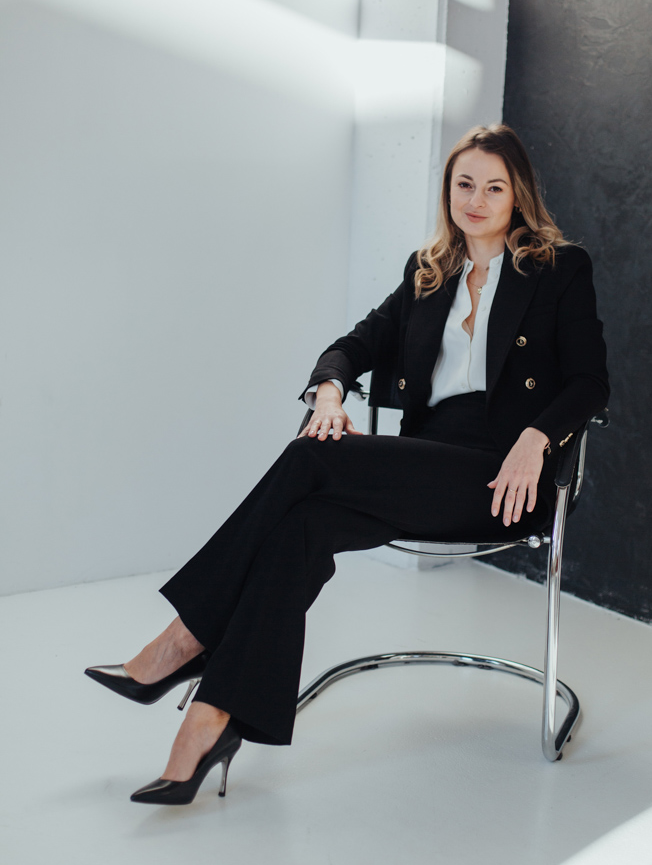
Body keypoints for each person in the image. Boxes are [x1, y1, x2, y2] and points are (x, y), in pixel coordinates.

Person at [85, 123, 610, 805]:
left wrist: (536, 440)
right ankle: (211, 721)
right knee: (300, 524)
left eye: (493, 188)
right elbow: (352, 346)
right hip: (424, 462)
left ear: (518, 195)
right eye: (463, 184)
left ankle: (182, 641)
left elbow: (590, 382)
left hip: (506, 474)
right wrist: (330, 392)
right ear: (447, 189)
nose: (475, 201)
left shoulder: (559, 270)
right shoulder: (428, 273)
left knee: (310, 458)